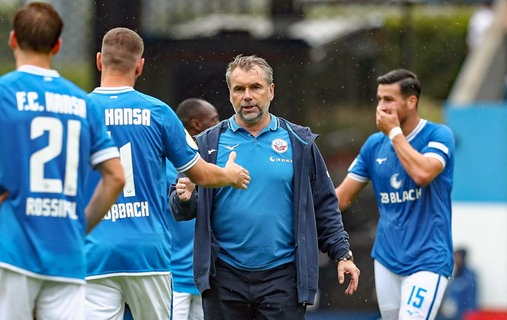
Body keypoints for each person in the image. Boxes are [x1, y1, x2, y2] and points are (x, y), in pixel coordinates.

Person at [169, 54, 360, 320]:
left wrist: (342, 254)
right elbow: (179, 208)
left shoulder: (299, 142)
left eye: (255, 87)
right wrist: (185, 198)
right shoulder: (206, 144)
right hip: (224, 277)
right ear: (230, 94)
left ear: (271, 91)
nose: (247, 96)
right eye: (239, 89)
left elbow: (324, 206)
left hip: (282, 278)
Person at [83, 28, 250, 320]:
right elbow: (201, 175)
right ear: (140, 66)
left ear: (99, 61)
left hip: (94, 251)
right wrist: (231, 175)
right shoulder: (157, 112)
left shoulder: (77, 111)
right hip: (147, 252)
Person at [0, 3, 125, 319]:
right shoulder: (83, 103)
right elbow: (116, 177)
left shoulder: (5, 93)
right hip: (66, 254)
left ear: (13, 40)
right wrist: (78, 226)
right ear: (57, 45)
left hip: (12, 250)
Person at [335, 69, 455, 320]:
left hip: (428, 261)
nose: (382, 107)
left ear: (412, 102)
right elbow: (341, 199)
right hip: (387, 259)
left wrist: (394, 134)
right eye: (379, 99)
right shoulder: (374, 145)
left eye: (389, 99)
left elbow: (423, 173)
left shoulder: (438, 135)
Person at [170, 98, 219, 320]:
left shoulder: (211, 164)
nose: (220, 124)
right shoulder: (167, 163)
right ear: (197, 125)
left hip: (205, 278)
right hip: (172, 278)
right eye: (215, 119)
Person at [438, 248, 478, 320]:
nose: (456, 259)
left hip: (463, 313)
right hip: (449, 313)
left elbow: (471, 297)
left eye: (458, 256)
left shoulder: (469, 276)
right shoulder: (452, 273)